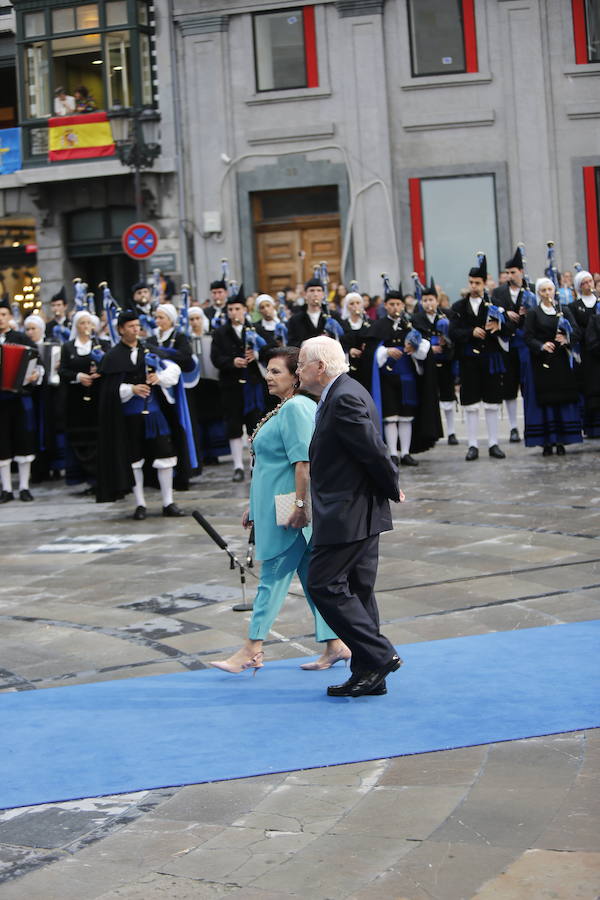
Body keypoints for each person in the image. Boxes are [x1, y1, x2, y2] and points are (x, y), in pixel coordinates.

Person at [211, 347, 350, 675]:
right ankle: (335, 645)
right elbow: (267, 467)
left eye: (276, 371)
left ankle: (252, 647)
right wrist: (254, 506)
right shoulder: (284, 408)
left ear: (295, 376)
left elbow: (303, 464)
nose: (268, 377)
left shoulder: (295, 409)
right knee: (310, 578)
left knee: (272, 577)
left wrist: (300, 508)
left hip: (290, 509)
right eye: (268, 371)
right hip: (276, 507)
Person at [297, 336, 403, 698]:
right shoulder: (342, 391)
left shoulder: (342, 397)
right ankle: (370, 674)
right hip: (358, 510)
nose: (298, 371)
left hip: (349, 513)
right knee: (358, 591)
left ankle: (379, 653)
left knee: (322, 583)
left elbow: (373, 450)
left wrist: (392, 485)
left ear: (320, 367)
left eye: (301, 364)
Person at [96, 310, 188, 518]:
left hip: (155, 415)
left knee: (165, 455)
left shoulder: (148, 349)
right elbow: (107, 391)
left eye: (137, 325)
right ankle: (140, 504)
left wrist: (159, 376)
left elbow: (174, 371)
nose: (136, 329)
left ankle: (168, 502)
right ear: (121, 330)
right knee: (134, 459)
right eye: (130, 326)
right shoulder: (112, 357)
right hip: (128, 418)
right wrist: (131, 389)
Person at [369, 286, 440, 466]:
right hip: (387, 378)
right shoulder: (378, 325)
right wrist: (385, 351)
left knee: (407, 416)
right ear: (385, 305)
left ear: (403, 305)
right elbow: (371, 351)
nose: (395, 308)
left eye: (398, 304)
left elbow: (425, 349)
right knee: (391, 416)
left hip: (408, 378)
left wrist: (415, 347)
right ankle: (393, 453)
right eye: (391, 304)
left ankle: (406, 452)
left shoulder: (411, 323)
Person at [449, 254, 511, 461]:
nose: (473, 286)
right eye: (471, 282)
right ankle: (473, 444)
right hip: (469, 360)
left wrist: (499, 325)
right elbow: (453, 332)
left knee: (492, 402)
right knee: (471, 404)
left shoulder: (496, 302)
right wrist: (470, 332)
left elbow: (511, 327)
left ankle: (494, 443)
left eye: (477, 283)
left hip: (491, 357)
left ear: (484, 283)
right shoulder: (458, 306)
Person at [210, 285, 266, 481]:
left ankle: (254, 463)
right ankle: (237, 465)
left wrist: (256, 355)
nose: (234, 312)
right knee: (233, 425)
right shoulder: (220, 333)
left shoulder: (255, 329)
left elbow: (268, 353)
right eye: (230, 309)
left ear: (245, 310)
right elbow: (215, 358)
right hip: (230, 386)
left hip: (252, 385)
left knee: (254, 424)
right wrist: (232, 362)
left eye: (237, 308)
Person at [523, 278, 582, 455]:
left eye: (550, 289)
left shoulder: (562, 311)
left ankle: (562, 440)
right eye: (543, 290)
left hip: (561, 361)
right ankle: (547, 441)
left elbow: (577, 331)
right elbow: (528, 337)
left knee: (561, 400)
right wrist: (541, 345)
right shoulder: (534, 313)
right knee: (545, 402)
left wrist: (567, 339)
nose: (547, 293)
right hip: (542, 362)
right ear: (539, 293)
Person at [58, 310, 108, 492]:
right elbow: (62, 371)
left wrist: (100, 373)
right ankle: (87, 478)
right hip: (77, 401)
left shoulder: (101, 345)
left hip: (97, 398)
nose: (86, 326)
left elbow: (110, 366)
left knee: (99, 437)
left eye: (88, 323)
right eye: (82, 323)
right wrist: (79, 376)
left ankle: (100, 478)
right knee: (82, 439)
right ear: (76, 326)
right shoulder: (69, 347)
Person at [0, 298, 42, 502]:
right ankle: (6, 489)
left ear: (10, 317)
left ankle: (24, 486)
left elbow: (37, 362)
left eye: (3, 315)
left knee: (23, 440)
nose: (0, 319)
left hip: (19, 397)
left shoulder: (21, 338)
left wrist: (34, 375)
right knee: (2, 443)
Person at [491, 247, 533, 443]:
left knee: (527, 385)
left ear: (521, 272)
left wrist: (528, 313)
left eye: (513, 272)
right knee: (509, 386)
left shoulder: (531, 289)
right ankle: (513, 427)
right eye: (507, 272)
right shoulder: (499, 292)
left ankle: (529, 424)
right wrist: (505, 313)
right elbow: (492, 312)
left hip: (525, 343)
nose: (509, 276)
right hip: (507, 343)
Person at [411, 279, 457, 444]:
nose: (428, 303)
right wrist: (430, 346)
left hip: (445, 362)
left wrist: (447, 341)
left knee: (448, 397)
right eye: (425, 300)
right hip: (427, 364)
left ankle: (451, 431)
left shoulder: (447, 315)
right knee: (430, 397)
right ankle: (432, 431)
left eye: (431, 300)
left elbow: (454, 335)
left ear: (437, 301)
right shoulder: (416, 318)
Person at [570, 270, 600, 440]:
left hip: (598, 350)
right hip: (585, 352)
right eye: (584, 282)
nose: (589, 285)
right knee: (589, 386)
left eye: (590, 281)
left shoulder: (598, 302)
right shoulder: (575, 306)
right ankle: (590, 426)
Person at [287, 276, 338, 346]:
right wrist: (306, 343)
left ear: (323, 294)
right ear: (305, 294)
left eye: (319, 290)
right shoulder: (295, 320)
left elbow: (343, 338)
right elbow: (291, 343)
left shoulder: (333, 316)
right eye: (312, 290)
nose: (315, 294)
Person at [340, 291, 372, 390]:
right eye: (352, 303)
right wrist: (349, 350)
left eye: (358, 303)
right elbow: (339, 342)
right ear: (347, 306)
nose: (355, 306)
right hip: (348, 365)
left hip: (366, 365)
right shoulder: (342, 324)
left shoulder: (369, 323)